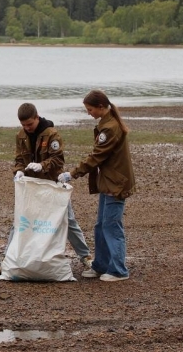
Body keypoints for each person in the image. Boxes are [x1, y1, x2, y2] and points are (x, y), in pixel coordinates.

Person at [59, 90, 135, 282]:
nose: (88, 113)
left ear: (101, 107)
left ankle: (118, 270)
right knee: (101, 225)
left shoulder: (109, 128)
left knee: (111, 227)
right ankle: (101, 264)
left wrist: (73, 173)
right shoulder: (108, 124)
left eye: (90, 109)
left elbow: (96, 157)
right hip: (108, 182)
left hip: (115, 184)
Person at [13, 103, 93, 269]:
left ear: (37, 117)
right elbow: (19, 159)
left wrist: (42, 165)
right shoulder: (21, 135)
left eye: (30, 124)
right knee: (23, 221)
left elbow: (58, 160)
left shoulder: (51, 134)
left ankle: (85, 256)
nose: (27, 128)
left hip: (52, 184)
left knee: (68, 221)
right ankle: (11, 258)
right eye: (23, 125)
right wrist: (19, 171)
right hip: (32, 186)